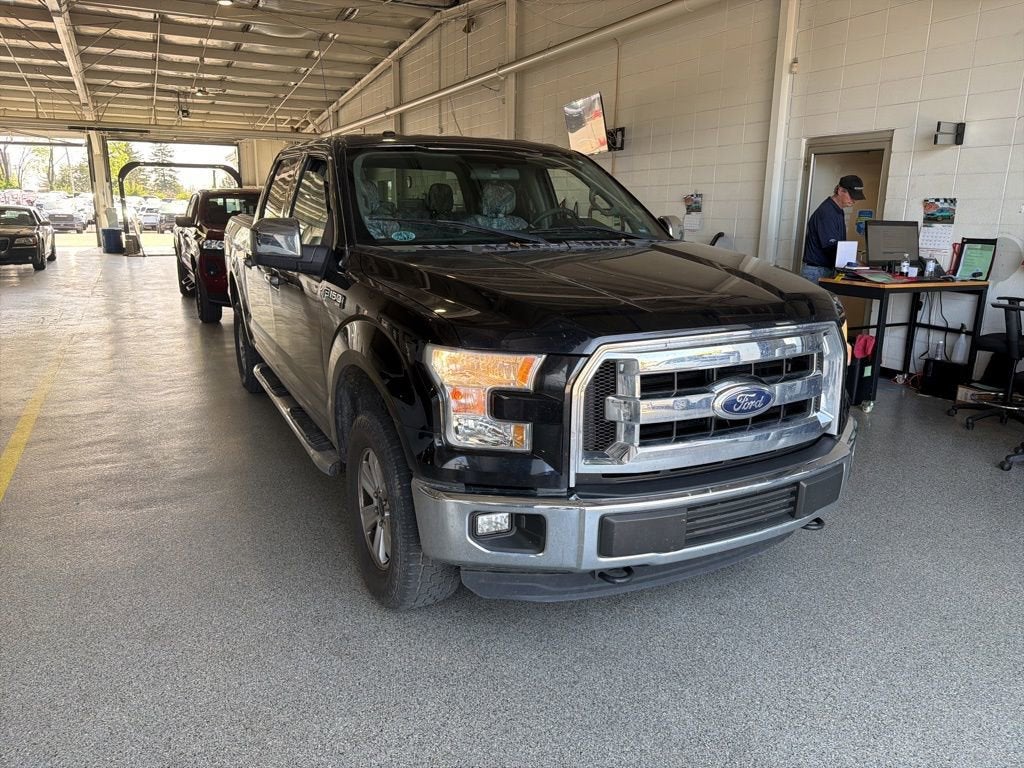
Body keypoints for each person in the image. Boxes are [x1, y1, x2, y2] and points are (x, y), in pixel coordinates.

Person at [801, 174, 865, 283]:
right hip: (817, 272)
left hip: (824, 270)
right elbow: (831, 247)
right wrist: (855, 263)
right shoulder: (827, 212)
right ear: (840, 190)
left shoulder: (837, 210)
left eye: (856, 197)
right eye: (852, 196)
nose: (854, 200)